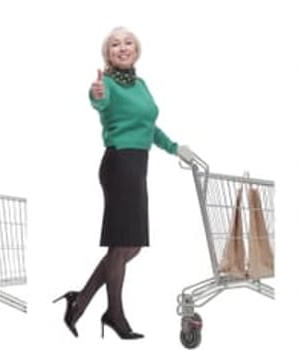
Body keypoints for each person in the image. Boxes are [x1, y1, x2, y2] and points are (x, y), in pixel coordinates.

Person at [56, 26, 193, 342]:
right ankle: (114, 313)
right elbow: (98, 101)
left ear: (136, 49)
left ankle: (80, 300)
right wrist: (97, 95)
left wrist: (176, 148)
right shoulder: (105, 83)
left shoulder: (141, 84)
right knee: (122, 244)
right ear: (108, 54)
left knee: (131, 246)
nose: (122, 47)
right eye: (115, 44)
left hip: (137, 165)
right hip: (120, 164)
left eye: (127, 42)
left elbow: (149, 126)